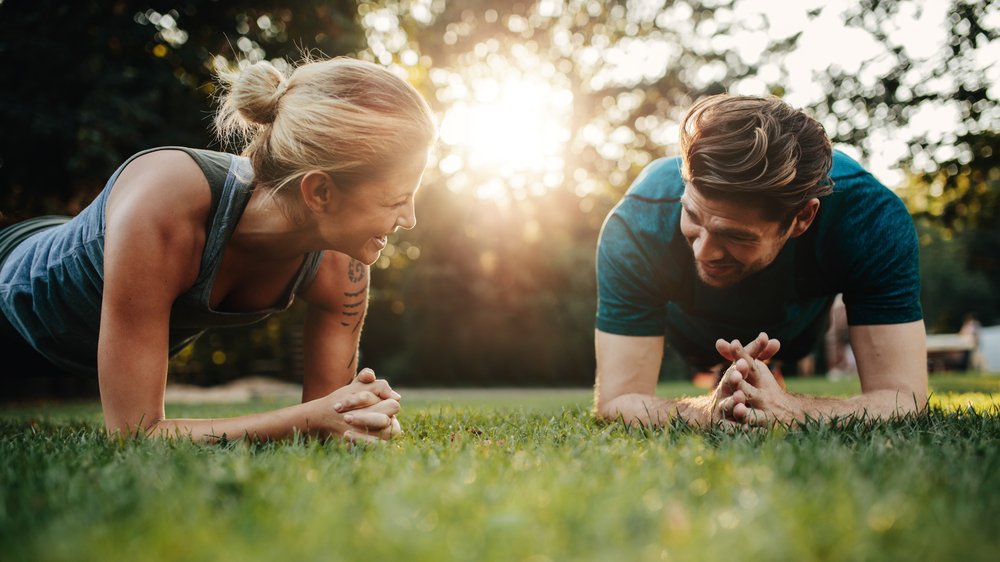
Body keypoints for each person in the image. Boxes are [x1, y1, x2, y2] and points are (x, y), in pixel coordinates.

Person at [0, 56, 437, 443]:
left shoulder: (344, 266)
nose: (409, 219)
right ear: (319, 191)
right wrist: (307, 419)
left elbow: (332, 418)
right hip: (12, 299)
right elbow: (136, 433)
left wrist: (362, 418)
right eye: (394, 200)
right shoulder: (164, 203)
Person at [594, 94, 928, 428]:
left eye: (736, 235)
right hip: (694, 334)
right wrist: (706, 412)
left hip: (796, 331)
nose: (703, 252)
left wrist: (789, 408)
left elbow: (905, 397)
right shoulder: (637, 224)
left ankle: (768, 371)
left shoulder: (869, 218)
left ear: (803, 218)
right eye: (692, 215)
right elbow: (617, 399)